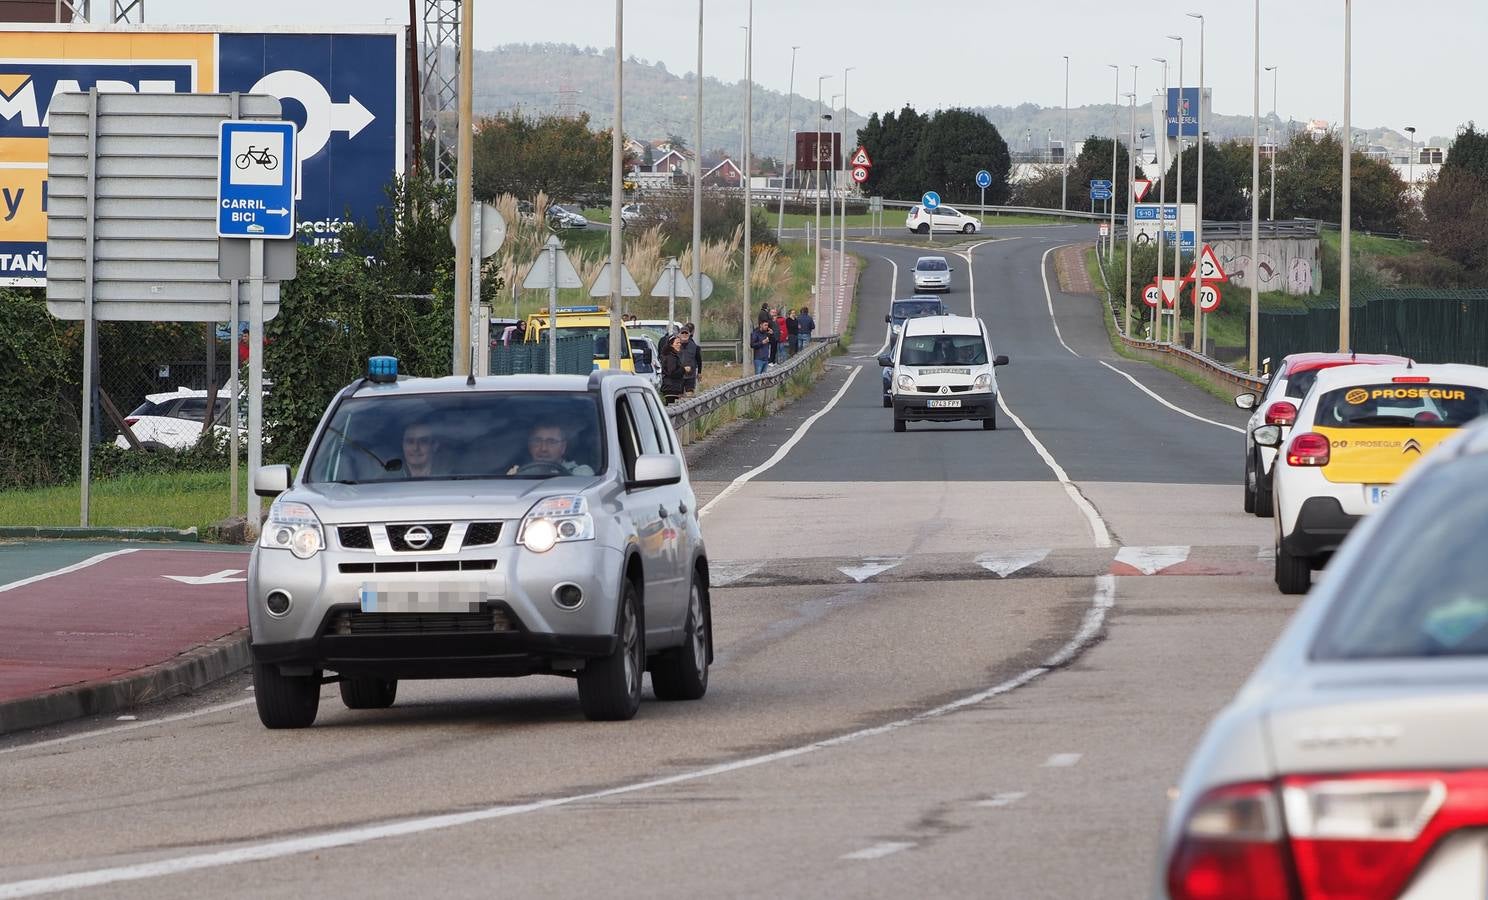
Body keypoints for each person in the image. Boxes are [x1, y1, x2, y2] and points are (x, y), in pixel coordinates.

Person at [507, 421, 594, 476]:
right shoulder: (519, 473)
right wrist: (512, 479)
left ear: (563, 447)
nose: (543, 448)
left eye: (551, 442)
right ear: (530, 446)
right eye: (537, 441)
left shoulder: (580, 473)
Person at [660, 333, 687, 403]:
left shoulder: (672, 356)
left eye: (680, 343)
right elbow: (672, 373)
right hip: (671, 389)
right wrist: (684, 369)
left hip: (673, 388)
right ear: (671, 344)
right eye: (677, 343)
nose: (679, 345)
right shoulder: (671, 357)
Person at [678, 323, 703, 394]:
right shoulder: (675, 345)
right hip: (678, 376)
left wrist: (699, 373)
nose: (684, 335)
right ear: (679, 334)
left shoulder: (695, 347)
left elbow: (699, 360)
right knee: (679, 396)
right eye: (683, 333)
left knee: (690, 394)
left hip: (690, 376)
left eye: (686, 333)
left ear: (689, 334)